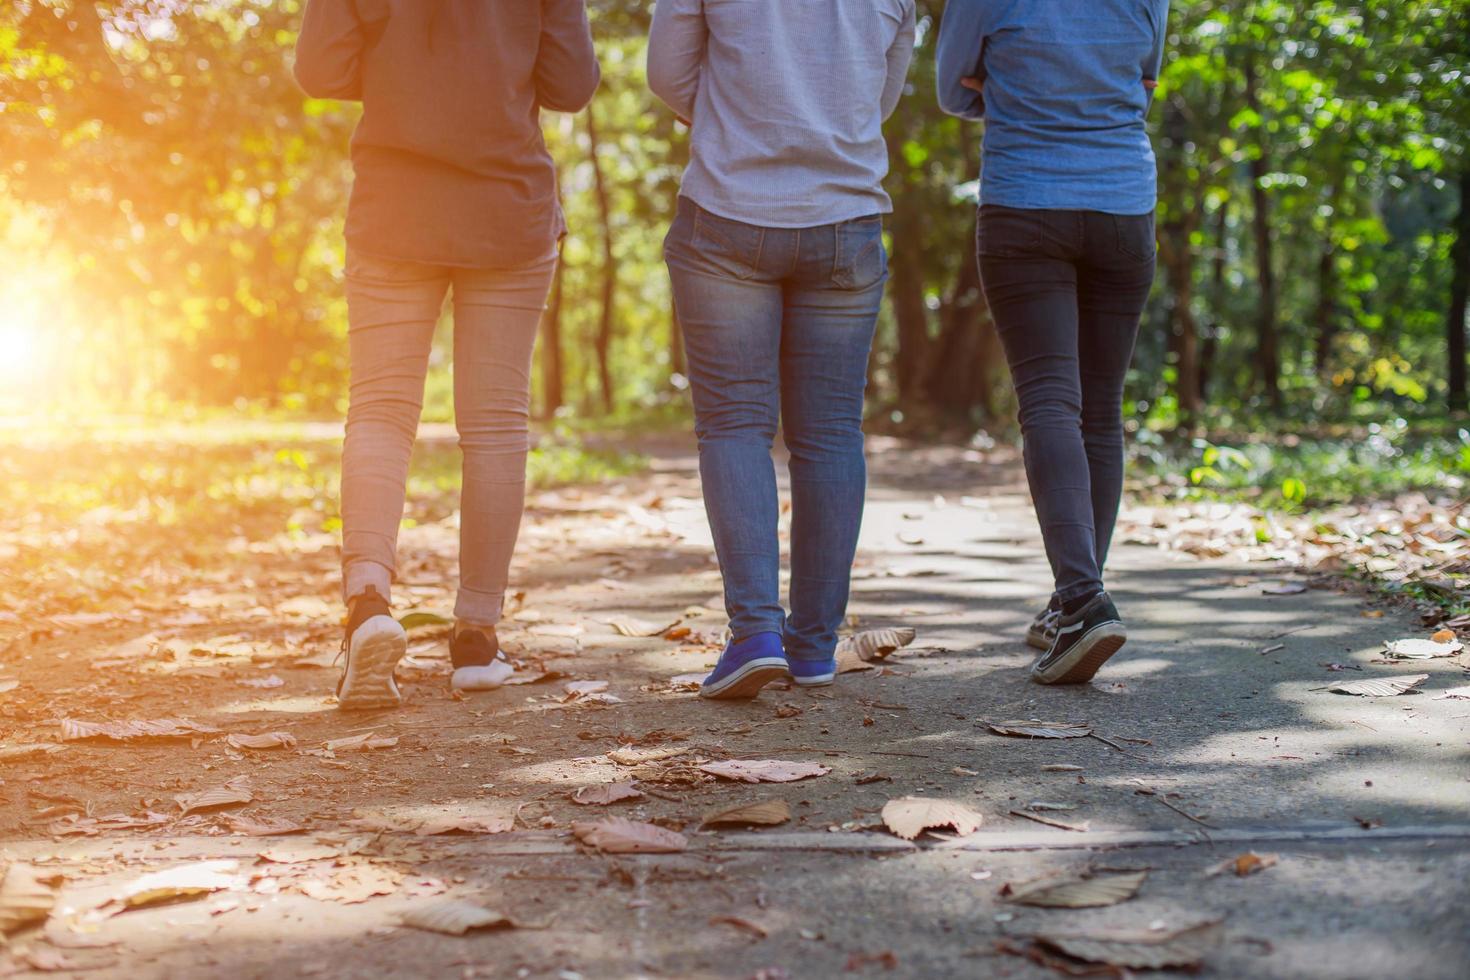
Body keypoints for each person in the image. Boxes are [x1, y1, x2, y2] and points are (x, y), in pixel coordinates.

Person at [294, 0, 599, 709]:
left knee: (379, 411)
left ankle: (367, 605)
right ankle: (477, 636)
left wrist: (402, 71)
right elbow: (573, 85)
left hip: (395, 209)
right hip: (507, 211)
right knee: (494, 425)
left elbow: (318, 69)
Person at [648, 0, 916, 699]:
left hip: (727, 212)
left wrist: (734, 121)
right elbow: (881, 92)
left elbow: (667, 75)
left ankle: (755, 635)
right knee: (829, 434)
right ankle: (814, 647)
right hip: (846, 220)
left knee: (737, 424)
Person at [936, 0, 1169, 684]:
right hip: (1124, 206)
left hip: (1024, 202)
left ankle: (1080, 601)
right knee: (1098, 410)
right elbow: (1144, 84)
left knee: (1049, 402)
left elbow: (954, 90)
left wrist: (1014, 90)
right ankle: (1074, 598)